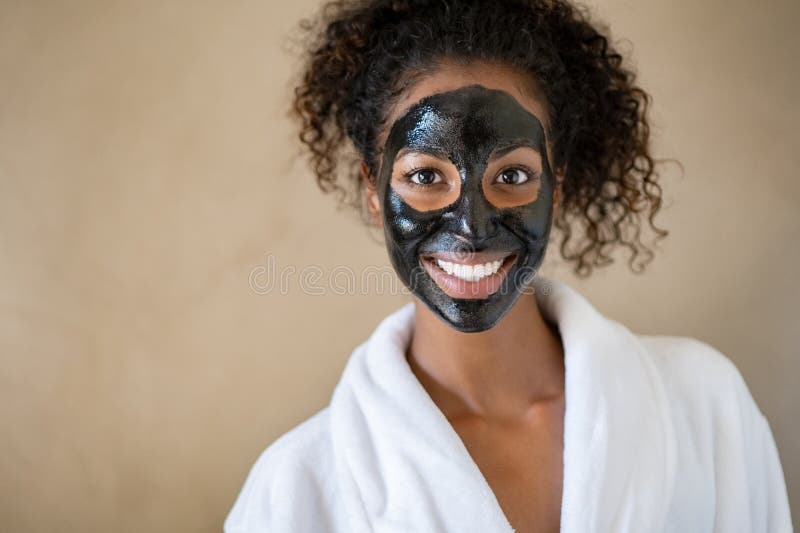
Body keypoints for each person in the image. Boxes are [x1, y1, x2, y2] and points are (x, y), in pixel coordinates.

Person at [225, 1, 793, 531]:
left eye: (513, 176)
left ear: (558, 185)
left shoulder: (703, 405)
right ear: (374, 191)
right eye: (425, 177)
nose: (472, 228)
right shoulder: (295, 490)